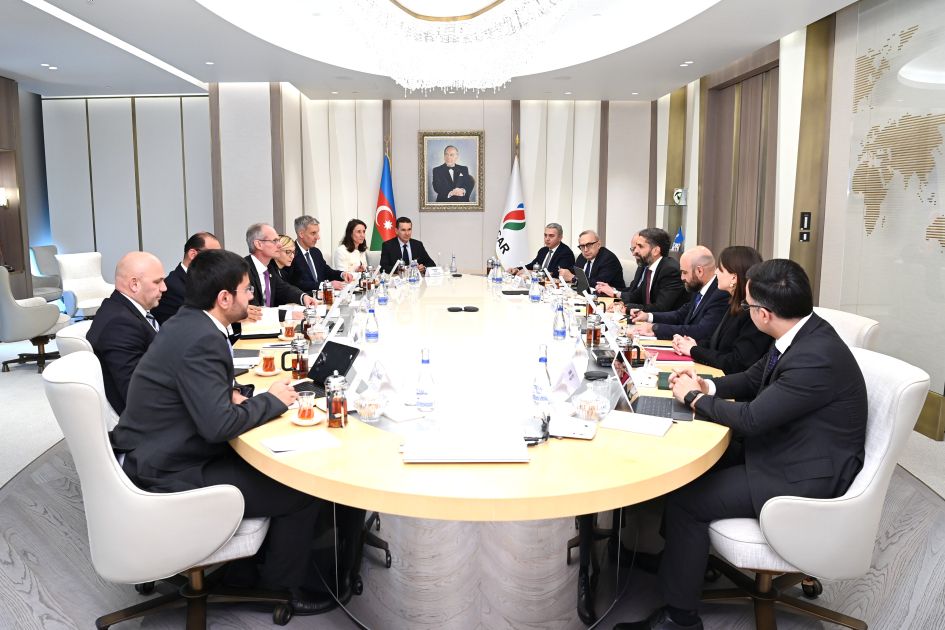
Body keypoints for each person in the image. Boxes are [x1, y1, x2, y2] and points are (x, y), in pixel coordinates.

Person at [614, 259, 868, 630]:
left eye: (747, 306)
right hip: (787, 445)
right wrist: (706, 385)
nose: (744, 311)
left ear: (764, 314)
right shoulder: (802, 331)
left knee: (688, 502)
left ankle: (680, 618)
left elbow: (752, 418)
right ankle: (683, 561)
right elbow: (752, 379)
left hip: (802, 473)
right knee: (688, 470)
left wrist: (694, 399)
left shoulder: (814, 358)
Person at [110, 249, 348, 614]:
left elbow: (193, 387)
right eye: (247, 289)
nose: (252, 296)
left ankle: (248, 570)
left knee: (274, 463)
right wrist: (272, 400)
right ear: (224, 298)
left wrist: (233, 394)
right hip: (169, 470)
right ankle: (280, 590)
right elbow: (218, 426)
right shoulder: (203, 338)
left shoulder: (188, 322)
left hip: (153, 450)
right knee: (302, 487)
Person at [87, 251, 166, 415]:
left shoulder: (121, 310)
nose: (164, 288)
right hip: (151, 419)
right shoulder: (120, 324)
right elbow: (136, 394)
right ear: (134, 284)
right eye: (157, 282)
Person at [671, 246, 771, 375]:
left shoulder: (752, 311)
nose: (716, 272)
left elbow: (736, 362)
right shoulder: (735, 303)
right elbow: (718, 344)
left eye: (721, 269)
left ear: (734, 278)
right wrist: (692, 344)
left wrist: (694, 350)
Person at [628, 246, 728, 341]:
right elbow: (680, 315)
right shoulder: (699, 287)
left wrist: (655, 328)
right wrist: (648, 316)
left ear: (699, 271)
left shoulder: (720, 294)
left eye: (685, 272)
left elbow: (701, 331)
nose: (682, 278)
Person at [598, 228, 686, 311]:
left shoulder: (670, 270)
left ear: (655, 251)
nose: (635, 252)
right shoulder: (649, 267)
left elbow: (660, 308)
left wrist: (627, 308)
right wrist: (618, 300)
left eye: (640, 246)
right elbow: (636, 296)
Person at [151, 231, 220, 325]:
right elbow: (177, 327)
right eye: (214, 255)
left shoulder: (212, 281)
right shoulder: (171, 287)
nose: (219, 261)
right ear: (193, 255)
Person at [245, 223, 316, 308]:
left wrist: (303, 297)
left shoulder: (269, 268)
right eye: (274, 241)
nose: (280, 245)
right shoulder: (242, 270)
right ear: (258, 244)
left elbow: (284, 289)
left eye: (278, 240)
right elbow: (253, 309)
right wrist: (287, 314)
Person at [288, 215, 352, 293]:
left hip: (323, 296)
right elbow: (297, 284)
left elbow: (326, 271)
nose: (318, 237)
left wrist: (342, 274)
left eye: (317, 233)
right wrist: (326, 285)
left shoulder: (315, 252)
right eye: (313, 233)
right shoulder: (290, 254)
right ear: (301, 234)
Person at [558, 230, 625, 289]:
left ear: (598, 244)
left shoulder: (608, 259)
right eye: (582, 246)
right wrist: (565, 273)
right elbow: (574, 272)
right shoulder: (582, 257)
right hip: (586, 294)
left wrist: (573, 278)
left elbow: (598, 285)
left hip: (611, 297)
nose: (585, 250)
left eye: (589, 245)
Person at [508, 222, 575, 279]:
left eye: (551, 236)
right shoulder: (543, 250)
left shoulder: (566, 253)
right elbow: (532, 265)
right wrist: (517, 269)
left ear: (560, 237)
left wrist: (533, 273)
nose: (547, 239)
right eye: (545, 235)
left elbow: (556, 273)